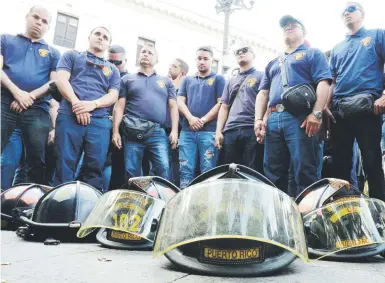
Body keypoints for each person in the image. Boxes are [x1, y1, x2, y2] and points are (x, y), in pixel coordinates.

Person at [254, 15, 331, 197]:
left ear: (303, 32)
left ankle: (306, 219)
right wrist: (259, 119)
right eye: (285, 26)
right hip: (273, 119)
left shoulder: (313, 53)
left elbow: (323, 82)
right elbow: (263, 93)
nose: (288, 27)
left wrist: (316, 114)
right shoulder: (273, 62)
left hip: (300, 118)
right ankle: (277, 219)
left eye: (293, 25)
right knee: (272, 172)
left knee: (304, 171)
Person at [327, 2, 385, 201]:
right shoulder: (337, 48)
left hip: (368, 108)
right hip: (340, 110)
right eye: (344, 12)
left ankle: (380, 212)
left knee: (372, 163)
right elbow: (332, 81)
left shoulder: (377, 35)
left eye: (351, 9)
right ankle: (345, 211)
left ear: (362, 13)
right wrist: (325, 108)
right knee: (340, 165)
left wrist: (384, 96)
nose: (347, 13)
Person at [54, 27, 120, 193]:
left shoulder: (113, 69)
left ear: (108, 44)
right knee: (64, 165)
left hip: (99, 122)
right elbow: (61, 80)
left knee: (94, 167)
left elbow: (113, 95)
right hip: (69, 116)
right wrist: (77, 104)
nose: (100, 38)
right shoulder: (72, 56)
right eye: (97, 34)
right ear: (89, 36)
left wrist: (93, 104)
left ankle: (87, 209)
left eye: (105, 37)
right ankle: (58, 208)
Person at [1, 6, 61, 184]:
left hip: (37, 109)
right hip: (4, 102)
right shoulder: (5, 39)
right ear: (27, 17)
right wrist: (17, 93)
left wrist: (29, 97)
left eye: (45, 22)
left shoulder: (53, 53)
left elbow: (53, 83)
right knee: (6, 160)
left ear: (48, 27)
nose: (39, 23)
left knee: (36, 161)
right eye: (36, 17)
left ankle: (28, 205)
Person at [112, 44, 179, 180]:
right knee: (131, 171)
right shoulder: (126, 79)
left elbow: (173, 107)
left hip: (158, 132)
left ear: (156, 60)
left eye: (150, 53)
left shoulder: (166, 81)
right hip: (132, 131)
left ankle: (159, 200)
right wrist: (115, 132)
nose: (145, 54)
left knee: (163, 169)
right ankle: (135, 199)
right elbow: (119, 107)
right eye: (143, 52)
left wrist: (174, 131)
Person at [177, 46, 225, 188]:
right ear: (195, 60)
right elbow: (179, 102)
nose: (202, 61)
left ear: (212, 61)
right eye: (199, 58)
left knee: (208, 173)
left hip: (209, 131)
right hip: (187, 131)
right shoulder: (187, 80)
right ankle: (183, 206)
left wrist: (203, 120)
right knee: (185, 171)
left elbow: (221, 103)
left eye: (205, 59)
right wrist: (191, 118)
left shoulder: (218, 79)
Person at [215, 45, 264, 173]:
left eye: (245, 50)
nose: (241, 53)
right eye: (237, 52)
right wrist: (218, 131)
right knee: (228, 171)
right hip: (230, 130)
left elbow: (266, 101)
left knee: (251, 171)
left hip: (251, 128)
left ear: (254, 56)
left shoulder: (261, 76)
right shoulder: (230, 80)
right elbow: (224, 106)